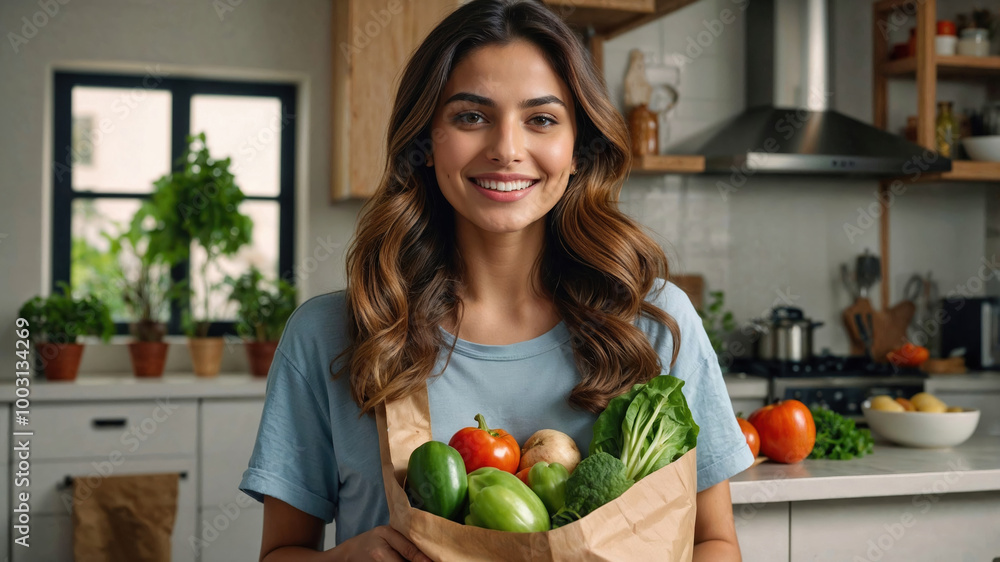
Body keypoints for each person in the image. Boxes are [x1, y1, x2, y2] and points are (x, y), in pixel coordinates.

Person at [239, 1, 753, 560]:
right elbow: (280, 553)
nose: (507, 149)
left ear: (579, 149)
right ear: (427, 142)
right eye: (471, 117)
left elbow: (714, 541)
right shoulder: (333, 335)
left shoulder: (655, 324)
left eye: (542, 119)